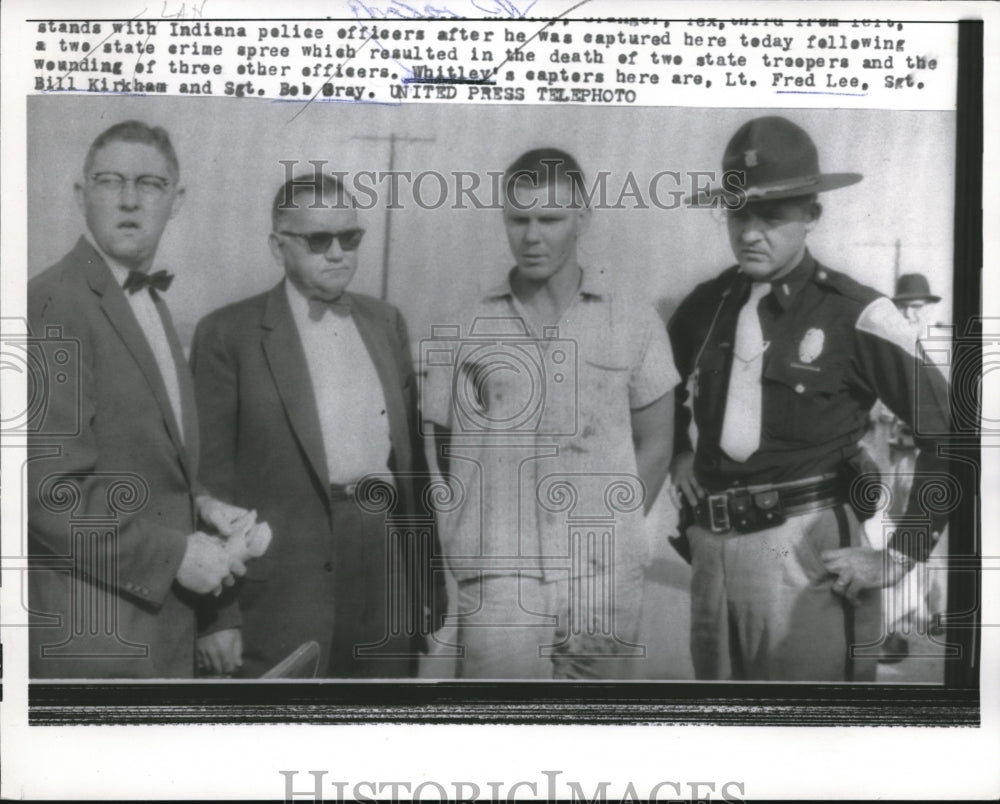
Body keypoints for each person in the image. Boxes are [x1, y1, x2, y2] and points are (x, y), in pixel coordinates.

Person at [667, 116, 952, 682]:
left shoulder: (856, 313)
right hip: (711, 554)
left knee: (811, 741)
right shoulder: (703, 307)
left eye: (771, 216)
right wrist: (678, 452)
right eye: (738, 212)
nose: (750, 232)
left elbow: (952, 435)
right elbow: (661, 394)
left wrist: (898, 556)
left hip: (806, 553)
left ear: (811, 215)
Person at [423, 148, 677, 679]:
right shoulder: (466, 325)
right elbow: (449, 449)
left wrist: (611, 523)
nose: (532, 236)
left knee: (596, 743)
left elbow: (656, 443)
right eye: (519, 219)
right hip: (501, 581)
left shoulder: (633, 320)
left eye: (550, 219)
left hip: (603, 576)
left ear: (582, 218)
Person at [191, 172, 444, 678]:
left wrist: (425, 586)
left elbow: (411, 468)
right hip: (282, 587)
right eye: (317, 239)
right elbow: (205, 481)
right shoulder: (227, 335)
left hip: (382, 573)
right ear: (277, 246)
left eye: (349, 238)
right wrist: (216, 616)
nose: (337, 252)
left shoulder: (386, 322)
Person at [28, 120, 252, 679]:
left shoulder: (148, 302)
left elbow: (146, 457)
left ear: (176, 201)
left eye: (151, 184)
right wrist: (178, 555)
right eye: (110, 182)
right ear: (81, 196)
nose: (130, 200)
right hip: (95, 644)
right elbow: (48, 497)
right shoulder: (54, 302)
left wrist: (202, 504)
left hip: (152, 637)